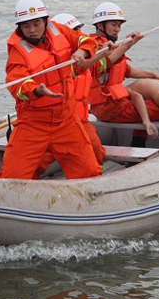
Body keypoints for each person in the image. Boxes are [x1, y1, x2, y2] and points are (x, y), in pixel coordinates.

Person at [0, 0, 113, 180]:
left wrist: (82, 52)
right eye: (26, 26)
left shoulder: (58, 30)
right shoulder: (17, 50)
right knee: (12, 178)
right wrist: (37, 90)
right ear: (19, 27)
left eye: (36, 24)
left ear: (45, 20)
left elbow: (84, 40)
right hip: (33, 124)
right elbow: (16, 83)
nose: (32, 30)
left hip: (66, 119)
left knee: (88, 172)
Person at [88, 2, 159, 148]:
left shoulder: (111, 45)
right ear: (100, 25)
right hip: (112, 109)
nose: (117, 29)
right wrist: (129, 44)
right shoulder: (97, 47)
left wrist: (153, 75)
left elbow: (126, 70)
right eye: (113, 25)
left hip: (113, 106)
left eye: (119, 26)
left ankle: (138, 144)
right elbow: (108, 61)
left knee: (145, 102)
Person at [33, 13, 106, 178]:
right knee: (43, 156)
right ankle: (26, 183)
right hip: (61, 119)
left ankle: (96, 178)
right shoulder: (59, 66)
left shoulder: (81, 58)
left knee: (95, 148)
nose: (79, 34)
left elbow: (96, 63)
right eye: (76, 30)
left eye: (80, 30)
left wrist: (106, 52)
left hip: (79, 119)